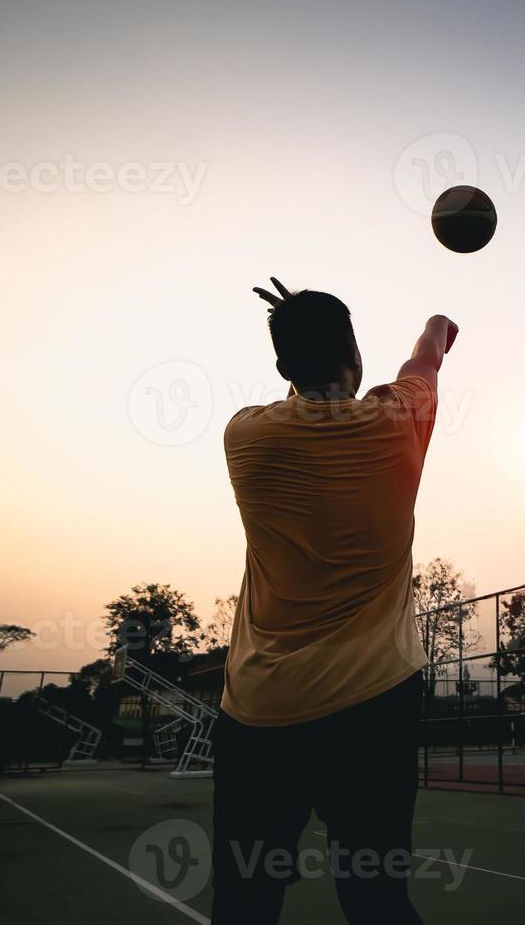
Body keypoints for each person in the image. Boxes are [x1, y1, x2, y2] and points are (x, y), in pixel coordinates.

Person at [212, 277, 458, 924]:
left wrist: (296, 330)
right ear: (356, 354)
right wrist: (437, 322)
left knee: (245, 900)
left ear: (282, 367)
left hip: (263, 709)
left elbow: (305, 385)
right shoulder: (398, 419)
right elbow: (424, 358)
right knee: (377, 899)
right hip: (372, 709)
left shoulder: (246, 438)